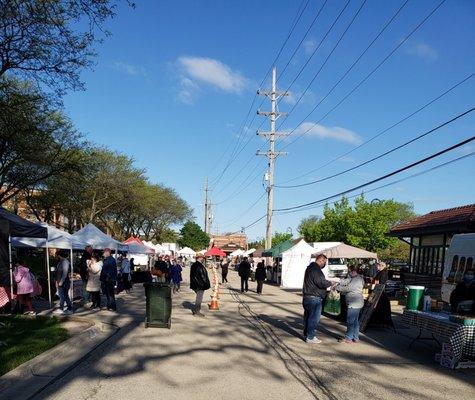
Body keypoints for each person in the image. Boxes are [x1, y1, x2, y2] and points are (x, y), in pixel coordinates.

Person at [302, 254, 334, 344]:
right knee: (313, 318)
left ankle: (307, 334)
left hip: (307, 296)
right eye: (325, 262)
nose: (325, 264)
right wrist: (330, 283)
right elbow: (320, 282)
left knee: (308, 317)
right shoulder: (316, 269)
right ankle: (310, 337)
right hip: (314, 297)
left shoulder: (309, 268)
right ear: (321, 260)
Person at [336, 265, 365, 344]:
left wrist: (337, 287)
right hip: (355, 303)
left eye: (350, 271)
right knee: (355, 322)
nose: (349, 273)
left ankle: (348, 338)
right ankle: (355, 337)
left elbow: (348, 288)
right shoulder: (353, 278)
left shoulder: (357, 279)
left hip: (354, 303)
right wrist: (338, 281)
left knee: (350, 321)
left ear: (354, 271)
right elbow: (346, 281)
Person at [55, 250, 73, 315]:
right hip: (60, 281)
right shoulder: (60, 262)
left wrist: (61, 282)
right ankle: (70, 309)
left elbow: (65, 273)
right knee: (65, 295)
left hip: (64, 282)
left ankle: (61, 308)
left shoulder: (65, 262)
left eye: (56, 255)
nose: (55, 257)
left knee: (62, 296)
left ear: (59, 255)